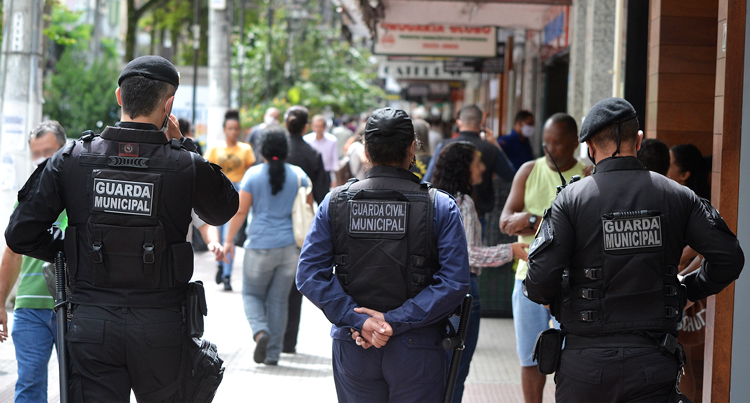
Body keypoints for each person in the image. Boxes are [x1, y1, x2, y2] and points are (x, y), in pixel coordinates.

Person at [5, 55, 239, 401]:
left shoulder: (71, 159)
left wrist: (71, 246)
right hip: (161, 328)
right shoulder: (184, 164)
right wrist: (186, 145)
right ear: (168, 104)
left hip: (91, 326)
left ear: (119, 97)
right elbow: (222, 209)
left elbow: (20, 233)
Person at [524, 97, 744, 402]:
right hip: (654, 362)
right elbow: (729, 258)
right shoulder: (678, 195)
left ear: (588, 147)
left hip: (585, 366)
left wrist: (557, 300)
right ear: (638, 140)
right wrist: (688, 292)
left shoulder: (570, 200)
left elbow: (537, 281)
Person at [296, 107, 470, 402]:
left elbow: (309, 275)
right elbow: (454, 282)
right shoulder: (440, 206)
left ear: (365, 150)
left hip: (355, 343)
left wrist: (358, 319)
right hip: (418, 348)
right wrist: (394, 321)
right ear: (412, 148)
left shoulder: (335, 202)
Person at [498, 112, 586, 403]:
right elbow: (506, 221)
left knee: (572, 358)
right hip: (529, 278)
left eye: (558, 143)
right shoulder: (528, 170)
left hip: (573, 281)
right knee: (530, 357)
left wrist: (531, 224)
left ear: (575, 142)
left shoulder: (587, 176)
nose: (550, 149)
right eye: (545, 142)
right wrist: (540, 220)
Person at [431, 141, 528, 403]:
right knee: (456, 372)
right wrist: (511, 251)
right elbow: (467, 254)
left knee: (435, 370)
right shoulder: (463, 204)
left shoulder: (432, 200)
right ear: (464, 168)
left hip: (431, 291)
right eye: (477, 162)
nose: (482, 168)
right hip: (462, 292)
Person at [222, 125, 312, 366]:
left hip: (260, 246)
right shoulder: (300, 175)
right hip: (290, 249)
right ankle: (273, 354)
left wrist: (228, 241)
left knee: (251, 293)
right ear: (285, 149)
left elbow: (241, 212)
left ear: (262, 149)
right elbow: (309, 212)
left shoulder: (252, 175)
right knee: (279, 301)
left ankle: (260, 332)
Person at [0, 121, 67, 403]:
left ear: (64, 150)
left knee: (80, 386)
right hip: (30, 309)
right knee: (29, 386)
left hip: (74, 307)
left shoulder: (82, 195)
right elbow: (12, 252)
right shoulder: (27, 202)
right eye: (36, 154)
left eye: (49, 152)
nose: (42, 160)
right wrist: (0, 302)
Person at [282, 105, 330, 354]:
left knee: (270, 287)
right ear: (305, 126)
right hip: (300, 229)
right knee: (293, 287)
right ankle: (289, 342)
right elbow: (322, 194)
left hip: (271, 227)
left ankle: (270, 336)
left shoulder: (275, 151)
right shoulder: (312, 154)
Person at [423, 105, 515, 218]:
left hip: (446, 211)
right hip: (479, 211)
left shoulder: (445, 146)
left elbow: (427, 181)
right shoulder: (490, 149)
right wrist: (496, 145)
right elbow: (510, 176)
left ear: (459, 123)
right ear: (481, 124)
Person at [204, 109, 255, 290]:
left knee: (229, 235)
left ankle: (226, 275)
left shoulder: (246, 149)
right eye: (230, 128)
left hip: (238, 194)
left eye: (236, 129)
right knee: (217, 231)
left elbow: (250, 174)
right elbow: (208, 173)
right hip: (220, 193)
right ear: (225, 129)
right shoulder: (215, 149)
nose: (233, 132)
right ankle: (221, 264)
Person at [304, 114, 339, 186]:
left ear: (324, 127)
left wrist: (334, 178)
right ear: (312, 127)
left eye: (321, 126)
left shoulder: (332, 140)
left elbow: (335, 160)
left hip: (326, 173)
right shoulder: (306, 140)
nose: (318, 129)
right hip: (311, 174)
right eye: (316, 126)